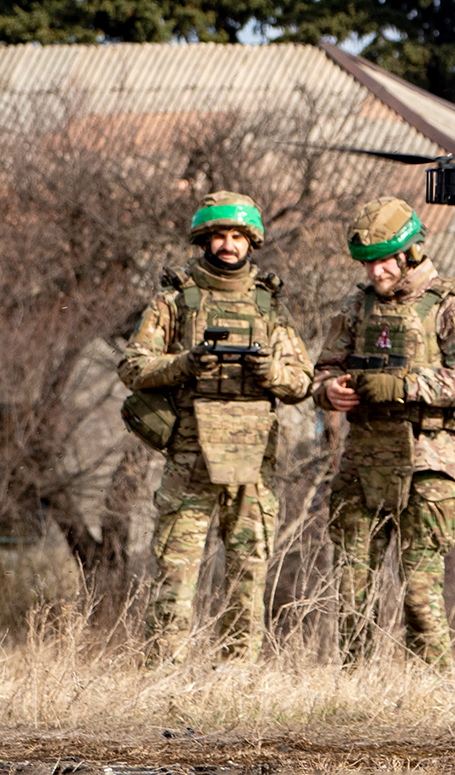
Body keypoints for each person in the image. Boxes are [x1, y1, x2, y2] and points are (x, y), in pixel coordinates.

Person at [118, 192, 312, 664]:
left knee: (249, 567)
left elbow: (302, 379)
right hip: (189, 456)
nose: (228, 245)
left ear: (252, 242)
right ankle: (162, 668)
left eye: (238, 237)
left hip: (252, 460)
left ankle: (237, 673)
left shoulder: (269, 304)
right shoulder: (175, 300)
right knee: (174, 568)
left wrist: (270, 374)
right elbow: (133, 367)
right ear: (205, 239)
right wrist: (186, 363)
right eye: (220, 236)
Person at [314, 197, 455, 668]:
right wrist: (329, 391)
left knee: (420, 594)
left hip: (426, 463)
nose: (376, 273)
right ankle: (354, 688)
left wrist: (407, 386)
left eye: (384, 261)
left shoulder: (452, 305)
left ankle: (433, 694)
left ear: (410, 252)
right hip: (363, 463)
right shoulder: (356, 307)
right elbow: (322, 369)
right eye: (368, 264)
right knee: (352, 586)